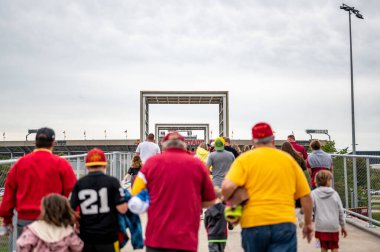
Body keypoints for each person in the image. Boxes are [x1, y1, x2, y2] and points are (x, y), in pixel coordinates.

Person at [222, 122, 313, 252]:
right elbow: (306, 196)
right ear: (273, 139)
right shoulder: (288, 160)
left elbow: (227, 188)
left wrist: (231, 200)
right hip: (284, 222)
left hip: (253, 223)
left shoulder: (244, 160)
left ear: (253, 140)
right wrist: (308, 223)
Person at [132, 131, 216, 252]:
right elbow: (210, 199)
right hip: (186, 239)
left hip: (157, 238)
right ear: (184, 145)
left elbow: (135, 193)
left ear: (163, 145)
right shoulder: (197, 165)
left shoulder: (151, 164)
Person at [0, 127, 77, 237]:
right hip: (54, 219)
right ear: (53, 143)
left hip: (26, 220)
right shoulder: (61, 164)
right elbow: (73, 192)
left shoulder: (20, 163)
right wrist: (74, 217)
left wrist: (7, 219)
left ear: (35, 142)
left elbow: (9, 194)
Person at [70, 148, 128, 252]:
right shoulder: (112, 182)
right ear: (105, 164)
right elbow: (123, 209)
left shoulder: (79, 183)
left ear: (87, 165)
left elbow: (71, 212)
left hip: (86, 237)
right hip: (109, 237)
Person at [16, 194, 84, 252]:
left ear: (43, 209)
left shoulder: (34, 229)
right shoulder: (68, 232)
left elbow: (22, 245)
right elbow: (78, 247)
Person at [312, 170, 347, 252]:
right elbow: (340, 211)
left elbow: (310, 209)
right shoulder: (335, 193)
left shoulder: (313, 194)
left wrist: (309, 222)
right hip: (333, 225)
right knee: (334, 246)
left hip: (321, 226)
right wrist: (343, 226)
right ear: (328, 181)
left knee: (323, 247)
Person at [204, 187, 227, 252]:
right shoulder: (225, 208)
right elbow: (230, 219)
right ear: (221, 197)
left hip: (212, 236)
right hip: (222, 236)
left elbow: (206, 222)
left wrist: (207, 230)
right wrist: (231, 226)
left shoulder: (209, 209)